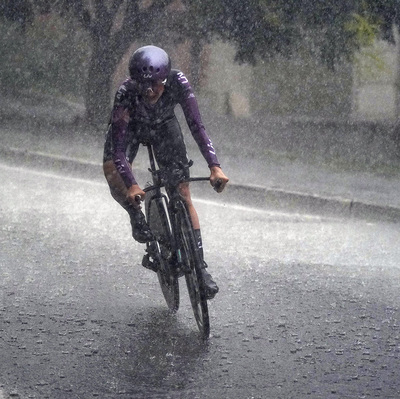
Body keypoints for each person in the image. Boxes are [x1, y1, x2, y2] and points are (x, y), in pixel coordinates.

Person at [103, 45, 229, 299]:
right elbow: (118, 151)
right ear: (135, 81)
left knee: (182, 192)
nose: (150, 92)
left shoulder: (178, 82)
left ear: (166, 79)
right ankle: (135, 214)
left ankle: (200, 268)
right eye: (144, 85)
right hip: (134, 129)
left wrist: (214, 166)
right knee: (110, 170)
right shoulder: (126, 93)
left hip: (164, 128)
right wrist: (131, 185)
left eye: (156, 85)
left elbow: (197, 126)